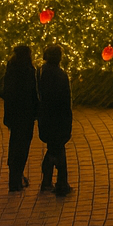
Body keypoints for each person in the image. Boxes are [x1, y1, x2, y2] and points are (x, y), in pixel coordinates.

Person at [38, 43, 73, 196]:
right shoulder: (60, 75)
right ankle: (59, 183)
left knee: (55, 148)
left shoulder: (42, 72)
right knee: (57, 149)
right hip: (58, 119)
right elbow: (64, 100)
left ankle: (54, 181)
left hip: (46, 117)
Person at [2, 44, 37, 191]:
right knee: (22, 147)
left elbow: (7, 91)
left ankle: (14, 176)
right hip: (25, 115)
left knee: (15, 143)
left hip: (14, 114)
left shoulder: (12, 68)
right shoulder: (27, 71)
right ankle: (16, 178)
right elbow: (32, 93)